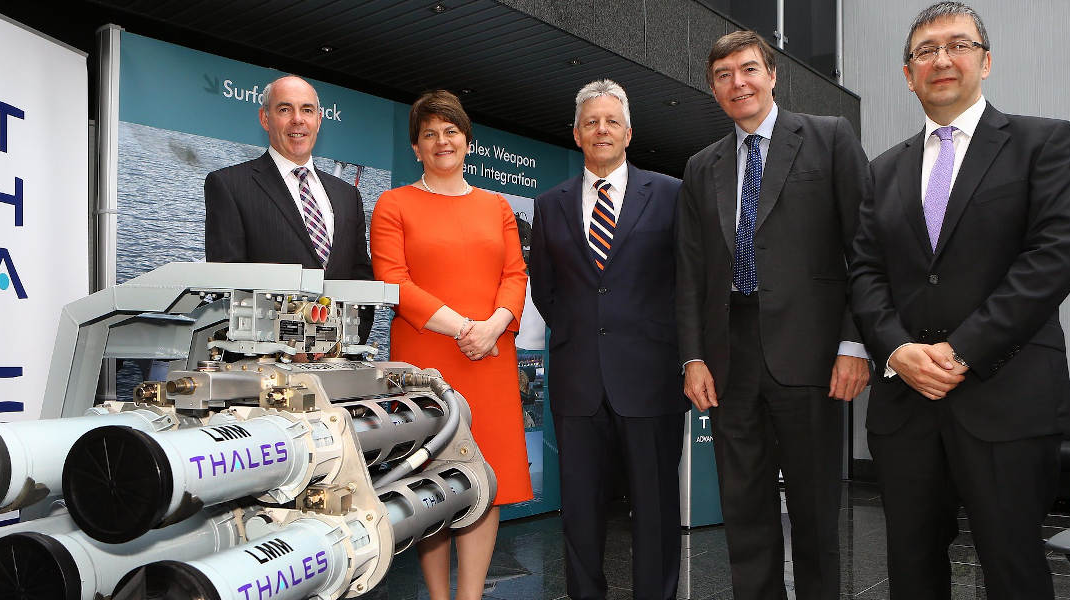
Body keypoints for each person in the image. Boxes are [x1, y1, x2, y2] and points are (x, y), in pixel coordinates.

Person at [849, 3, 1070, 598]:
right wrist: (898, 349)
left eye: (957, 44)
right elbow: (865, 273)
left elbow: (1053, 256)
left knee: (1013, 568)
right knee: (911, 569)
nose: (942, 59)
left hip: (1004, 397)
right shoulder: (881, 171)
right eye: (925, 50)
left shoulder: (1042, 142)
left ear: (986, 60)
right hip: (907, 406)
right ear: (908, 75)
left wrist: (961, 351)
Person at [675, 30, 870, 600]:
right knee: (744, 512)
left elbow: (866, 248)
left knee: (814, 512)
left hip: (811, 357)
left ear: (772, 74)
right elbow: (689, 271)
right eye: (723, 75)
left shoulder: (829, 139)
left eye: (748, 69)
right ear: (713, 89)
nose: (738, 83)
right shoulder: (700, 166)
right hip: (729, 359)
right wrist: (692, 356)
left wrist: (853, 344)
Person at [370, 90, 532, 600]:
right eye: (429, 134)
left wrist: (493, 325)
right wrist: (466, 327)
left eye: (451, 131)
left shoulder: (497, 206)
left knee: (490, 478)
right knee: (430, 480)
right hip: (426, 364)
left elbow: (516, 274)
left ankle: (470, 596)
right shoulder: (393, 204)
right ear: (416, 148)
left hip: (490, 359)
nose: (442, 141)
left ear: (468, 142)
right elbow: (394, 281)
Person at [530, 79, 687, 600]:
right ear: (576, 134)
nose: (601, 129)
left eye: (611, 121)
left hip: (650, 381)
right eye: (591, 122)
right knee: (580, 510)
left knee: (656, 508)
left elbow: (685, 281)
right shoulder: (548, 204)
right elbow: (546, 290)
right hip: (578, 381)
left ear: (628, 133)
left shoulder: (669, 193)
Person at [204, 75, 373, 341]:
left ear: (318, 120)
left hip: (336, 360)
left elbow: (362, 282)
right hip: (265, 365)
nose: (298, 119)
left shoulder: (347, 196)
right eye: (285, 109)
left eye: (307, 110)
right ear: (265, 118)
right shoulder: (229, 185)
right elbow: (228, 286)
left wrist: (341, 345)